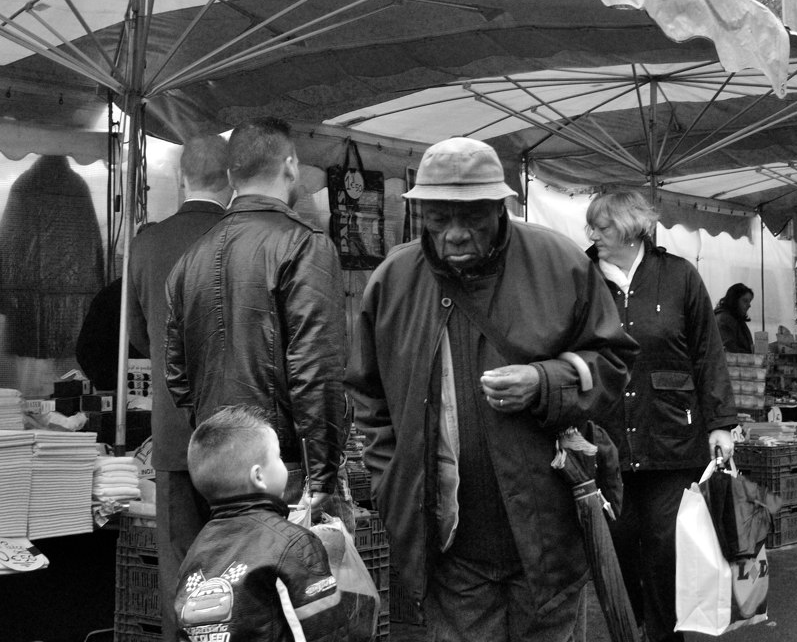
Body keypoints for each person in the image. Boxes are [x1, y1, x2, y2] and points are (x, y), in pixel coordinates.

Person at [347, 137, 637, 642]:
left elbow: (612, 362)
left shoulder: (558, 262)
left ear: (501, 207)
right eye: (439, 219)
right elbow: (369, 396)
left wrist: (544, 382)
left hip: (548, 534)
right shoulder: (394, 280)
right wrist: (393, 483)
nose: (456, 233)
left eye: (473, 217)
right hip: (449, 546)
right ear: (421, 214)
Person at [165, 118, 348, 515]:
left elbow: (178, 377)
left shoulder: (190, 258)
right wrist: (322, 474)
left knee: (236, 556)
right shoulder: (304, 244)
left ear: (231, 177)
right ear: (291, 165)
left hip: (218, 466)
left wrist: (216, 435)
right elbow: (316, 367)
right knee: (301, 556)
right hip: (283, 464)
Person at [584, 189, 737, 642]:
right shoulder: (581, 276)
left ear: (631, 229)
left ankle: (665, 635)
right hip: (606, 438)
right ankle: (631, 628)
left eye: (602, 227)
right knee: (618, 543)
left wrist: (721, 423)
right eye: (591, 227)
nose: (593, 235)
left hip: (672, 437)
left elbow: (708, 352)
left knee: (665, 546)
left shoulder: (678, 275)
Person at [127, 135, 231, 642]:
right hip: (238, 434)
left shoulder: (147, 243)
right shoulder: (244, 236)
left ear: (180, 178)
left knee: (181, 569)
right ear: (231, 178)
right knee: (237, 565)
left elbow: (137, 335)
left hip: (172, 432)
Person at [175, 406, 348, 642]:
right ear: (258, 476)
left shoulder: (196, 551)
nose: (282, 463)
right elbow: (326, 630)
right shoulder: (295, 543)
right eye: (278, 457)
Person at [714, 283, 755, 354]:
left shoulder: (737, 319)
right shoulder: (724, 320)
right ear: (734, 300)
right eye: (745, 301)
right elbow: (730, 350)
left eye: (749, 301)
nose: (749, 305)